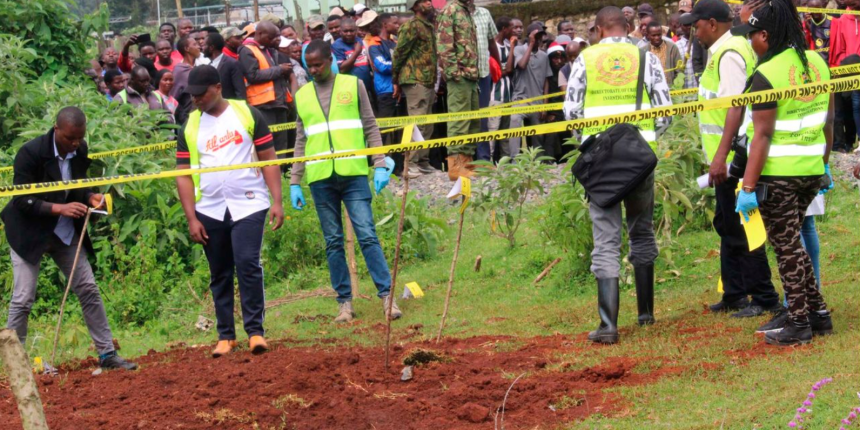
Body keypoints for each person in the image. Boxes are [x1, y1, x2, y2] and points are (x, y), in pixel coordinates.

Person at [563, 6, 672, 345]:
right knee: (641, 231)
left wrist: (589, 142)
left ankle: (608, 326)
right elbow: (665, 109)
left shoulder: (585, 59)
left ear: (597, 29)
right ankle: (645, 314)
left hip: (602, 160)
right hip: (639, 159)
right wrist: (648, 139)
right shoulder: (646, 58)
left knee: (606, 239)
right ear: (627, 26)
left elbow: (571, 112)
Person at [1, 107, 138, 371]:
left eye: (79, 138)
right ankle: (15, 365)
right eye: (69, 139)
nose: (74, 144)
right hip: (29, 233)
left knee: (88, 289)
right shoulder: (30, 153)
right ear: (56, 130)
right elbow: (21, 199)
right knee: (23, 298)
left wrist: (90, 197)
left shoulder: (80, 149)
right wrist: (59, 208)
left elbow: (79, 183)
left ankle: (107, 355)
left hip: (64, 232)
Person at [732, 0, 834, 345]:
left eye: (752, 36)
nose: (750, 43)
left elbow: (761, 135)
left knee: (787, 248)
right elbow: (829, 122)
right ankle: (819, 315)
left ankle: (798, 323)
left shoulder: (767, 74)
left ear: (765, 35)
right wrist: (824, 163)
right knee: (794, 245)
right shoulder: (818, 64)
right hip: (809, 169)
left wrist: (748, 186)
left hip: (778, 174)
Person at [290, 40, 402, 323]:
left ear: (331, 60)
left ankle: (387, 297)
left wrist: (379, 163)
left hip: (352, 173)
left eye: (318, 64)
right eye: (309, 65)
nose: (313, 70)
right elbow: (301, 139)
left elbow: (370, 124)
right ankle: (344, 304)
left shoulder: (353, 85)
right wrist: (295, 180)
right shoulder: (301, 95)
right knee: (333, 242)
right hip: (320, 178)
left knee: (367, 234)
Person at [681, 0, 781, 318]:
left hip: (733, 156)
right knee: (727, 224)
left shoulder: (729, 53)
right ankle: (734, 293)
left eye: (696, 26)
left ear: (712, 24)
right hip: (726, 155)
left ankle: (763, 296)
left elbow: (734, 110)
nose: (694, 33)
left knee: (742, 226)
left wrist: (721, 158)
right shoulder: (727, 48)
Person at [175, 65, 283, 358]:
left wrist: (277, 200)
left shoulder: (247, 114)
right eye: (192, 95)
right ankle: (226, 335)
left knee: (247, 263)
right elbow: (182, 174)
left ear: (217, 88)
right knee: (219, 270)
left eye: (201, 94)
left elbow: (269, 158)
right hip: (209, 207)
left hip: (249, 203)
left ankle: (255, 332)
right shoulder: (190, 125)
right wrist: (191, 217)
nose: (195, 100)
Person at [393, 0, 438, 175]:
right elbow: (399, 53)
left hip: (427, 80)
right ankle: (410, 164)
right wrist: (395, 79)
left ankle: (422, 161)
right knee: (417, 123)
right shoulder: (411, 26)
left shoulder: (428, 26)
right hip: (414, 79)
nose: (429, 3)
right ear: (415, 5)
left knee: (427, 124)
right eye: (424, 1)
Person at [437, 0, 481, 180]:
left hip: (471, 74)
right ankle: (455, 167)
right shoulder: (451, 9)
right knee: (459, 121)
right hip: (460, 75)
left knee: (472, 121)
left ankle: (468, 162)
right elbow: (444, 45)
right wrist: (453, 72)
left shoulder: (465, 10)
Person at [240, 21, 292, 161]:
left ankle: (281, 178)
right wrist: (279, 69)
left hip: (278, 104)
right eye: (272, 37)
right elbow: (252, 75)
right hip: (262, 105)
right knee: (267, 146)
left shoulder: (270, 49)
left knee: (282, 146)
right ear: (260, 34)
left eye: (277, 37)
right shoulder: (247, 50)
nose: (276, 40)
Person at [509, 22, 552, 159]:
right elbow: (521, 65)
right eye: (536, 35)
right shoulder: (519, 50)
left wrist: (545, 105)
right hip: (520, 98)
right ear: (529, 36)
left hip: (537, 100)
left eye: (541, 36)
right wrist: (531, 44)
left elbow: (546, 81)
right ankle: (514, 159)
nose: (539, 38)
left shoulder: (544, 56)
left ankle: (536, 161)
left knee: (537, 135)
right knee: (514, 122)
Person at [473, 4, 500, 162]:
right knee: (464, 119)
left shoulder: (484, 13)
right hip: (462, 77)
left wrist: (497, 65)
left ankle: (483, 159)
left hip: (484, 73)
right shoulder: (452, 14)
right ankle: (465, 159)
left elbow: (491, 43)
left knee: (482, 119)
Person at [487, 17, 516, 161]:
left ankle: (505, 162)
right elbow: (496, 73)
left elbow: (509, 69)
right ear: (504, 29)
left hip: (508, 97)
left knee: (506, 133)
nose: (514, 30)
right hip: (495, 97)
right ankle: (489, 161)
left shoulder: (507, 45)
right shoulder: (492, 47)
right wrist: (503, 70)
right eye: (511, 27)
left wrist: (511, 48)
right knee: (493, 131)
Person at [333, 18, 373, 94]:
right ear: (340, 32)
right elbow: (342, 69)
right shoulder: (337, 45)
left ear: (356, 30)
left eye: (351, 31)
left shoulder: (360, 41)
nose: (349, 33)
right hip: (350, 88)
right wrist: (356, 52)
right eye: (346, 31)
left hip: (367, 86)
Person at [203, 32, 246, 100]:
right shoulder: (208, 66)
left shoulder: (232, 64)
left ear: (211, 48)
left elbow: (240, 92)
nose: (202, 48)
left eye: (204, 45)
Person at [170, 36, 200, 126]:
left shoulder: (196, 67)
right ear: (187, 49)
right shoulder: (180, 71)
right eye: (195, 44)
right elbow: (173, 97)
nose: (199, 47)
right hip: (187, 119)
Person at [674, 16, 698, 89]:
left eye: (691, 24)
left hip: (699, 88)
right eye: (686, 25)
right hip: (685, 90)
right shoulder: (676, 46)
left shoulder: (701, 42)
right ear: (681, 26)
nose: (689, 27)